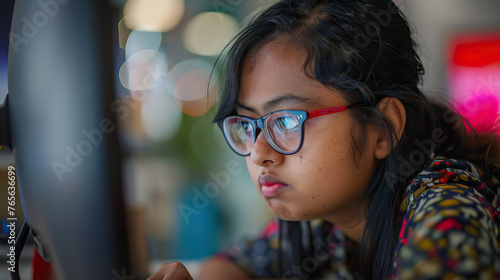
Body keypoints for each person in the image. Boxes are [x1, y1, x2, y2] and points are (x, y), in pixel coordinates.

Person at [148, 0, 500, 279]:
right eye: (247, 123)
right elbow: (230, 263)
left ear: (384, 128)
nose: (258, 153)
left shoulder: (447, 210)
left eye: (285, 120)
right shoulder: (320, 227)